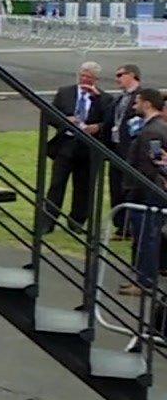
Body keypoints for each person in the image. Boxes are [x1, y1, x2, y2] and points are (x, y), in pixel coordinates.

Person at [39, 61, 108, 233]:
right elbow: (50, 115)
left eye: (89, 77)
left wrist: (97, 127)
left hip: (88, 147)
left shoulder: (104, 98)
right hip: (66, 145)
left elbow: (108, 121)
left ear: (96, 79)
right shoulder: (65, 93)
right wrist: (65, 120)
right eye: (83, 76)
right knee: (57, 184)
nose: (85, 80)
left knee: (83, 186)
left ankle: (77, 221)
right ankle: (48, 220)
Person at [120, 88, 167, 299]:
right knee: (147, 236)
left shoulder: (151, 131)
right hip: (150, 190)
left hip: (147, 192)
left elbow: (153, 165)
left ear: (147, 104)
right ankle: (143, 278)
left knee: (147, 236)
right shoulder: (157, 127)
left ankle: (145, 281)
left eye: (137, 102)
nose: (134, 105)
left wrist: (138, 186)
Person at [104, 65, 144, 239]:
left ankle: (131, 226)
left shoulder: (142, 97)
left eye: (120, 75)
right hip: (116, 149)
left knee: (130, 188)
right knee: (116, 188)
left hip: (131, 151)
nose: (117, 78)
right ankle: (121, 226)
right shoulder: (120, 98)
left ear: (132, 75)